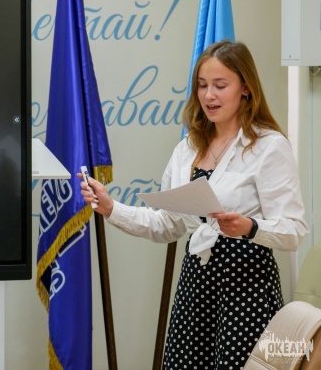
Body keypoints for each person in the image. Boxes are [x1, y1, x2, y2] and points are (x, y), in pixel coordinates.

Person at [79, 40, 309, 369]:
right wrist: (111, 208)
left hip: (248, 291)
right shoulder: (187, 147)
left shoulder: (268, 146)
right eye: (202, 85)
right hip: (195, 287)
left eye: (220, 85)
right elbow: (167, 225)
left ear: (245, 88)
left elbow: (294, 232)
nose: (208, 96)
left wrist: (250, 227)